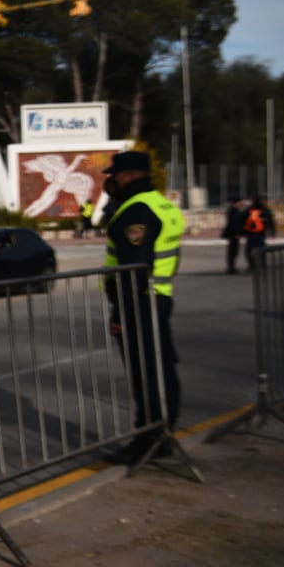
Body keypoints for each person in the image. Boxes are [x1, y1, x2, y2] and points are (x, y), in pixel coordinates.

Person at [99, 151, 184, 465]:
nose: (111, 181)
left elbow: (134, 268)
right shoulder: (161, 204)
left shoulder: (136, 211)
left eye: (114, 176)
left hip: (139, 303)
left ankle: (148, 439)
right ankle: (162, 433)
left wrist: (120, 314)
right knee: (161, 369)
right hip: (157, 297)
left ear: (126, 176)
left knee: (145, 372)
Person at [242, 194, 277, 273]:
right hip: (257, 233)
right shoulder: (263, 209)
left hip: (254, 233)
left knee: (251, 250)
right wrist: (272, 232)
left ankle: (254, 265)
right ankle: (259, 265)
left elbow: (243, 220)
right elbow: (271, 222)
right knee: (259, 250)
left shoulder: (251, 209)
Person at [221, 197, 248, 273]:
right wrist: (238, 233)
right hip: (233, 234)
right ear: (237, 203)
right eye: (240, 202)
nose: (242, 204)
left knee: (232, 251)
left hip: (232, 233)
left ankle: (231, 267)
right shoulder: (234, 211)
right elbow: (235, 223)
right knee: (233, 251)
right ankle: (231, 268)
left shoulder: (232, 210)